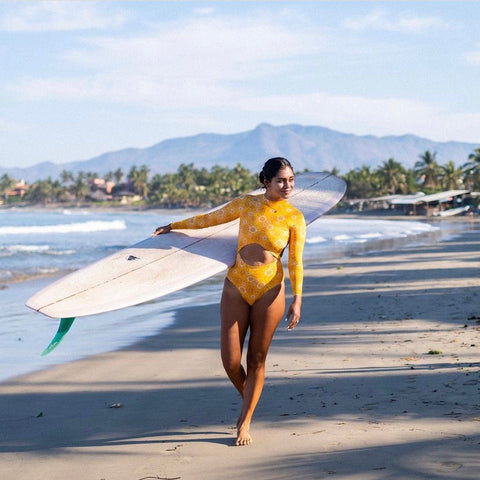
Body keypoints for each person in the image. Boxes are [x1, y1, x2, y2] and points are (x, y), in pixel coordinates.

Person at [153, 157, 306, 446]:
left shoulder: (294, 217)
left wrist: (297, 298)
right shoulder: (246, 204)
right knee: (231, 360)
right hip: (237, 284)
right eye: (281, 180)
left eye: (291, 181)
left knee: (257, 359)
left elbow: (296, 261)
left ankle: (244, 421)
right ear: (266, 181)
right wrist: (174, 225)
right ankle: (251, 394)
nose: (288, 186)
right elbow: (210, 219)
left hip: (269, 290)